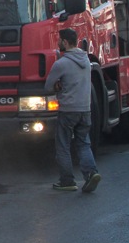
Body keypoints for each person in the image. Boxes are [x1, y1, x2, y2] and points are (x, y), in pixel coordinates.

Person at [44, 28, 102, 193]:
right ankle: (91, 173)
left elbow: (48, 87)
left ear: (65, 42)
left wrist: (58, 86)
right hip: (85, 109)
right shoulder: (86, 60)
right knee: (83, 143)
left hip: (68, 110)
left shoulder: (61, 63)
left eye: (59, 40)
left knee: (63, 146)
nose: (58, 43)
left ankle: (67, 181)